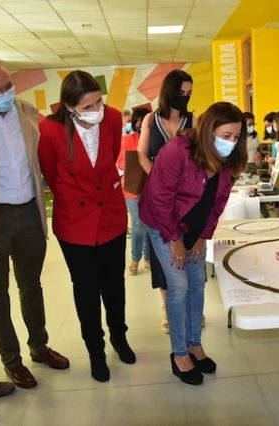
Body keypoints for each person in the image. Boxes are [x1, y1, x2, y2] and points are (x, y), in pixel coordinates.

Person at [0, 58, 69, 389]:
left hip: (28, 212)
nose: (3, 95)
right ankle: (12, 360)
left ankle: (39, 347)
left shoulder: (26, 113)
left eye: (7, 87)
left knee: (31, 285)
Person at [139, 102, 248, 385]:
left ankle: (194, 344)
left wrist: (202, 237)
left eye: (236, 138)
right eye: (226, 135)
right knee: (179, 286)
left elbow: (218, 201)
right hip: (163, 223)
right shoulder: (177, 151)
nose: (231, 143)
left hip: (195, 227)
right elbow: (160, 199)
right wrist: (174, 239)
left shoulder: (228, 160)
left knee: (197, 283)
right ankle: (179, 354)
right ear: (209, 130)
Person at [38, 70, 135, 383]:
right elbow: (50, 175)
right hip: (75, 222)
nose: (97, 110)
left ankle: (119, 337)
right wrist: (75, 196)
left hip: (111, 215)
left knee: (114, 285)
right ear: (69, 106)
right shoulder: (49, 130)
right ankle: (96, 350)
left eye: (99, 102)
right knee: (87, 290)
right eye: (88, 106)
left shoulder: (113, 118)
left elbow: (109, 158)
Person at [137, 69, 194, 333]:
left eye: (189, 94)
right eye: (181, 93)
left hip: (186, 200)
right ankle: (167, 309)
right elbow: (141, 155)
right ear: (169, 92)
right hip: (158, 198)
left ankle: (193, 309)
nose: (185, 97)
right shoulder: (151, 119)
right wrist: (160, 181)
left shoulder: (193, 120)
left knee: (188, 252)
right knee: (162, 256)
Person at [117, 107, 151, 275]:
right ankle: (135, 258)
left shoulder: (155, 140)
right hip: (133, 188)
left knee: (149, 224)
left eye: (144, 122)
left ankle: (148, 257)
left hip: (152, 189)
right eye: (138, 121)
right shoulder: (127, 140)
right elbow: (120, 162)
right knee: (138, 223)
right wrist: (135, 164)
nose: (140, 124)